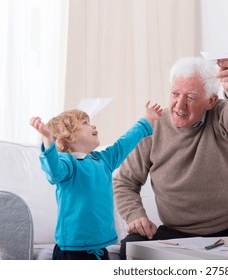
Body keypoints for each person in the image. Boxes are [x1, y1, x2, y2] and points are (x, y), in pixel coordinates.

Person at [113, 57, 228, 259]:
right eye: (175, 94)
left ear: (211, 100)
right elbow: (125, 182)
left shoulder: (222, 115)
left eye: (191, 97)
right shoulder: (153, 128)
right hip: (177, 234)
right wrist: (136, 215)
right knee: (132, 245)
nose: (179, 105)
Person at [29, 101, 163, 260]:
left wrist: (146, 119)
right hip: (72, 250)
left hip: (100, 247)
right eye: (85, 123)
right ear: (68, 137)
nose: (93, 126)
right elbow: (54, 172)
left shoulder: (103, 160)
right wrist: (48, 141)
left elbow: (123, 144)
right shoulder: (68, 163)